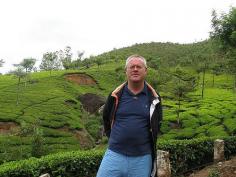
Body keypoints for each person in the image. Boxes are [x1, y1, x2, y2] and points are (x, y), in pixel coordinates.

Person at [96, 54, 162, 177]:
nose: (135, 69)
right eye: (132, 67)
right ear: (126, 71)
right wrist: (115, 139)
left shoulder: (154, 96)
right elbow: (106, 118)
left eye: (139, 67)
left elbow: (158, 122)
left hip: (142, 158)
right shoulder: (115, 94)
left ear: (145, 71)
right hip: (114, 154)